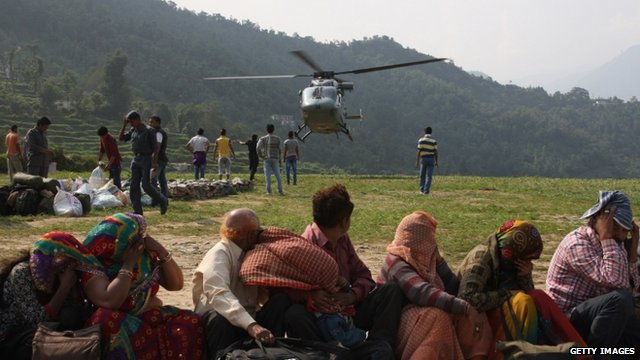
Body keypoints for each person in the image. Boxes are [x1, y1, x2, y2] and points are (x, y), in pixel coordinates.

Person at [284, 184, 403, 359]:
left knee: (390, 291)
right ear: (344, 221)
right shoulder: (303, 245)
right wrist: (311, 296)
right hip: (320, 321)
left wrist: (352, 296)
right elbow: (283, 288)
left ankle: (377, 346)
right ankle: (328, 353)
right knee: (294, 314)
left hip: (348, 312)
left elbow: (363, 275)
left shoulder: (342, 240)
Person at [457, 220, 587, 359]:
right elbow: (467, 298)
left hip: (504, 307)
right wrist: (506, 294)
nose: (527, 262)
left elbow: (527, 291)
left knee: (538, 296)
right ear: (511, 252)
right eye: (524, 259)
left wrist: (525, 276)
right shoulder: (481, 259)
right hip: (479, 316)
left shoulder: (511, 260)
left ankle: (581, 352)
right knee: (522, 301)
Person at [81, 212, 204, 359]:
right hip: (120, 321)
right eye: (135, 238)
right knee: (108, 321)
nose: (139, 242)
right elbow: (110, 301)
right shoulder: (95, 266)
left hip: (149, 317)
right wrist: (128, 264)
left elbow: (176, 285)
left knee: (190, 322)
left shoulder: (143, 258)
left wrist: (161, 251)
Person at [378, 211, 491, 360]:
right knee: (438, 318)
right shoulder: (396, 261)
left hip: (419, 315)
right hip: (394, 322)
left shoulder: (424, 259)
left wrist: (440, 262)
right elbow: (422, 293)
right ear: (420, 239)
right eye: (429, 237)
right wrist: (465, 307)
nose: (433, 242)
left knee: (472, 312)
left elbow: (453, 288)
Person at [546, 190, 640, 350]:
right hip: (567, 319)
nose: (621, 234)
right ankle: (595, 354)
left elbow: (632, 292)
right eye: (615, 226)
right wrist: (606, 238)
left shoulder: (615, 246)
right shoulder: (577, 243)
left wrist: (631, 257)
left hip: (599, 316)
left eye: (625, 230)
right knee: (619, 300)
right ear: (600, 222)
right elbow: (616, 283)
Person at [192, 208, 291, 356]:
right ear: (248, 236)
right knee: (219, 318)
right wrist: (251, 325)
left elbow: (261, 297)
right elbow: (218, 293)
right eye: (257, 232)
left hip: (250, 319)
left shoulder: (251, 253)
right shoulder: (220, 253)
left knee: (280, 301)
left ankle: (270, 352)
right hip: (224, 323)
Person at [0, 233, 95, 359]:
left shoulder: (62, 274)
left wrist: (73, 291)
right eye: (64, 262)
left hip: (47, 331)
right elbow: (36, 320)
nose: (66, 266)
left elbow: (76, 315)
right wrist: (64, 288)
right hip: (15, 335)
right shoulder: (22, 273)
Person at [118, 110, 168, 215]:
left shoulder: (149, 131)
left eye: (131, 121)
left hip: (146, 159)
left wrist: (154, 162)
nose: (130, 124)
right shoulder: (133, 130)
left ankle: (162, 200)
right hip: (136, 159)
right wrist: (124, 125)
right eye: (129, 122)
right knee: (134, 186)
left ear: (138, 120)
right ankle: (138, 211)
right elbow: (121, 138)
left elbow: (155, 148)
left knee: (146, 185)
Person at [256, 124, 284, 195]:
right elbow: (280, 150)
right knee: (278, 175)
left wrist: (261, 156)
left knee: (267, 176)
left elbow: (257, 147)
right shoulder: (277, 138)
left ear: (267, 129)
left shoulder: (263, 138)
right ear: (273, 129)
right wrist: (280, 160)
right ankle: (280, 191)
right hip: (275, 159)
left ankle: (269, 191)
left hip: (266, 158)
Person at [148, 115, 170, 200]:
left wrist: (154, 162)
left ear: (157, 123)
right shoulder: (157, 132)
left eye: (152, 122)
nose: (150, 124)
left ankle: (156, 199)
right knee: (162, 180)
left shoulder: (158, 133)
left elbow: (157, 148)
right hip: (161, 159)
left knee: (153, 179)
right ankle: (164, 198)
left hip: (159, 159)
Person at [416, 126, 438, 195]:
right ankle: (426, 191)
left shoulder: (421, 140)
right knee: (429, 176)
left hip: (424, 158)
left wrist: (417, 161)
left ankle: (422, 190)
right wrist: (437, 161)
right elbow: (436, 152)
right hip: (431, 159)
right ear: (431, 132)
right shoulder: (434, 141)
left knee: (422, 174)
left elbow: (419, 151)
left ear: (424, 132)